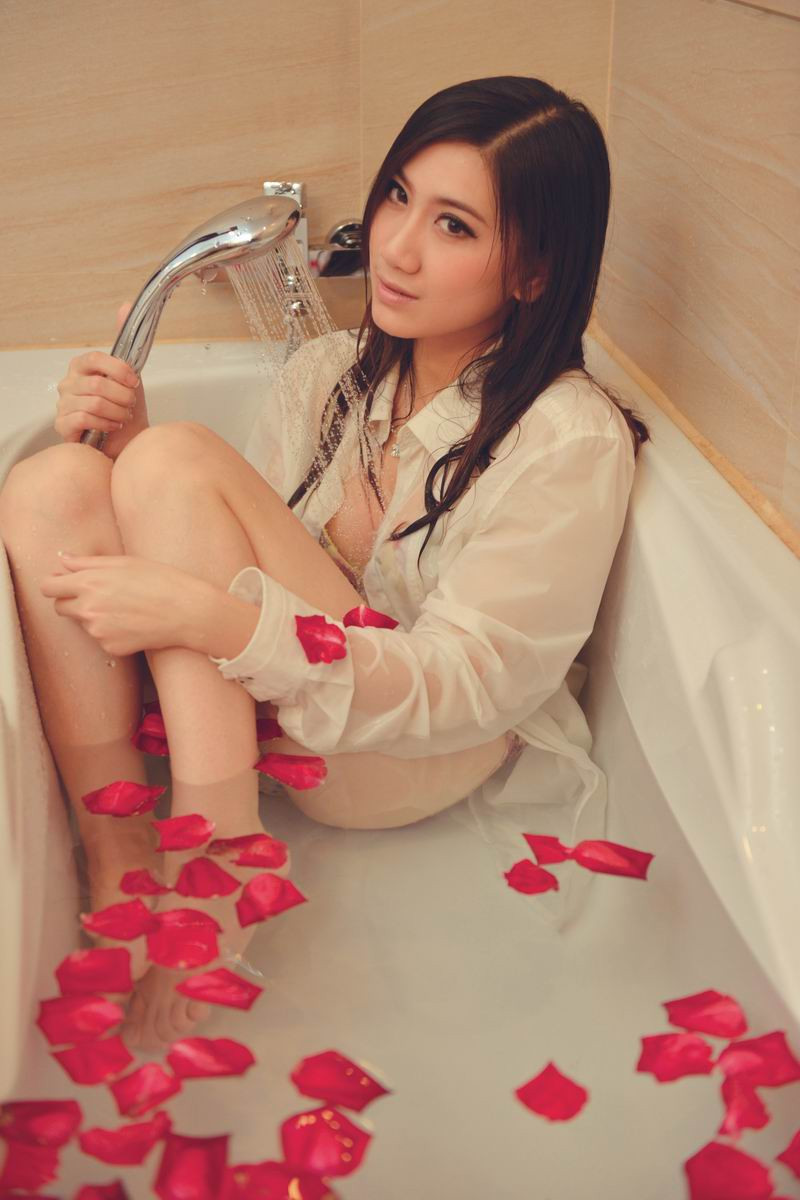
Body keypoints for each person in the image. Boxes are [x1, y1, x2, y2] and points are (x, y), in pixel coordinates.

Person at [0, 76, 649, 1049]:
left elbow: (468, 690)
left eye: (454, 226)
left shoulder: (566, 439)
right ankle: (117, 837)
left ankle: (220, 849)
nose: (397, 247)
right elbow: (222, 536)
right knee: (53, 483)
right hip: (289, 711)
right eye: (398, 197)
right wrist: (125, 449)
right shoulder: (328, 374)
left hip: (416, 753)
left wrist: (205, 616)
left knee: (175, 458)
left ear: (533, 272)